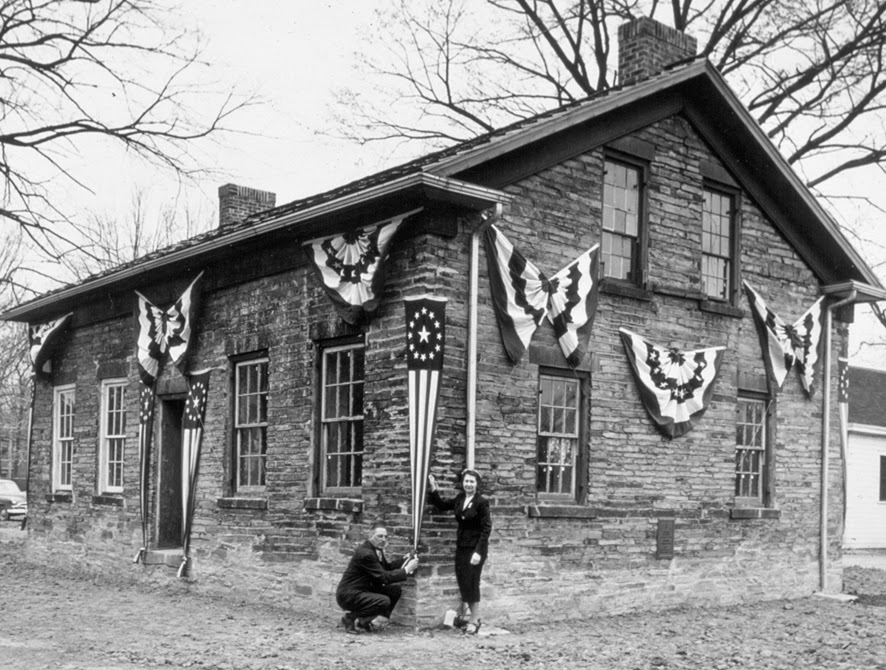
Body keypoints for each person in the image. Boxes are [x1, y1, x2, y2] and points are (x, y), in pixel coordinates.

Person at [427, 469, 492, 635]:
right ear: (463, 483)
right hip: (462, 547)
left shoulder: (481, 502)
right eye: (466, 481)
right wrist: (433, 489)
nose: (468, 484)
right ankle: (473, 617)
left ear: (477, 484)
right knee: (463, 580)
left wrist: (478, 552)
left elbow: (486, 529)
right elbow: (442, 505)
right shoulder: (460, 499)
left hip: (476, 549)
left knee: (472, 581)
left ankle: (474, 619)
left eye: (472, 482)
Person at [336, 523, 420, 634]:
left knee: (394, 591)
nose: (383, 540)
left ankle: (364, 621)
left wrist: (405, 558)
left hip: (363, 590)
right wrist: (407, 569)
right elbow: (384, 577)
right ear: (370, 536)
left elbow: (386, 568)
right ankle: (349, 618)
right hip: (349, 595)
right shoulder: (366, 553)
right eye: (379, 536)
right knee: (383, 601)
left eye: (385, 537)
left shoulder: (376, 550)